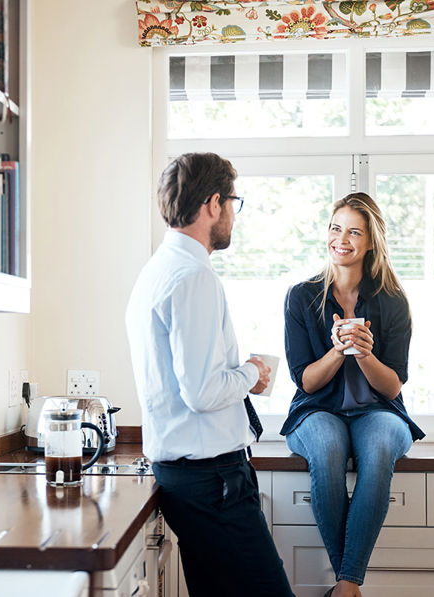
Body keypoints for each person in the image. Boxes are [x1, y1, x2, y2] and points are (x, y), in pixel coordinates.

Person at [126, 152, 294, 597]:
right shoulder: (193, 277)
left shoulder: (157, 271)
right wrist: (250, 373)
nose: (234, 218)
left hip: (187, 476)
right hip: (212, 479)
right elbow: (202, 392)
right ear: (213, 203)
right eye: (233, 204)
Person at [281, 193, 425, 597]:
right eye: (335, 228)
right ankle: (351, 585)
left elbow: (393, 385)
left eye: (354, 231)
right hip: (317, 410)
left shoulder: (392, 301)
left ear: (369, 242)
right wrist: (337, 350)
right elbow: (306, 381)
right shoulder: (301, 297)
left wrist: (363, 353)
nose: (341, 239)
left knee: (379, 450)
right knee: (327, 449)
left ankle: (345, 585)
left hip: (378, 410)